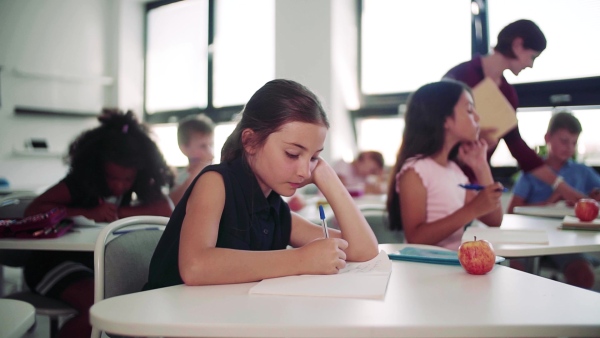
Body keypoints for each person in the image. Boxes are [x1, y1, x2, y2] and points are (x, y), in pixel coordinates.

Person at [144, 79, 379, 290]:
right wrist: (300, 259)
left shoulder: (274, 208)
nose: (305, 170)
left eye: (314, 157)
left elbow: (363, 251)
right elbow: (195, 267)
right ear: (250, 141)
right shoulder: (214, 183)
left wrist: (328, 177)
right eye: (292, 153)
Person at [23, 109, 174, 338]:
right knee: (98, 305)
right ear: (99, 168)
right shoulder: (80, 183)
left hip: (91, 263)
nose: (121, 186)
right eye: (113, 178)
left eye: (127, 179)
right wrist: (87, 212)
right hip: (49, 263)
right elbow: (33, 210)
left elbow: (166, 209)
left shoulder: (135, 182)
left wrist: (117, 212)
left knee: (130, 298)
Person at [443, 19, 585, 204]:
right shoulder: (461, 76)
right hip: (443, 179)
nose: (531, 65)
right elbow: (432, 127)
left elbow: (518, 148)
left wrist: (561, 186)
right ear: (518, 45)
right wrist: (475, 137)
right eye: (532, 57)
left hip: (472, 185)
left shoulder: (508, 94)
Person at [386, 80, 504, 251]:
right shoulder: (416, 170)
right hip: (425, 269)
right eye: (470, 110)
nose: (478, 117)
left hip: (452, 265)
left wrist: (481, 166)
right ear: (445, 120)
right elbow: (415, 237)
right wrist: (472, 209)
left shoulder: (453, 170)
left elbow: (494, 220)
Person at [507, 111, 598, 288]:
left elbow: (596, 195)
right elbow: (512, 211)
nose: (569, 147)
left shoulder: (582, 171)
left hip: (568, 241)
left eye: (574, 142)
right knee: (513, 272)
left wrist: (585, 201)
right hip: (528, 240)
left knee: (583, 275)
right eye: (564, 141)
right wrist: (549, 202)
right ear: (548, 138)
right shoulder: (531, 171)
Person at [169, 114, 215, 206]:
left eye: (211, 145)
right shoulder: (178, 178)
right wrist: (199, 169)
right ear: (185, 148)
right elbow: (173, 203)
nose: (210, 153)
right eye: (203, 146)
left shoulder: (215, 176)